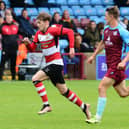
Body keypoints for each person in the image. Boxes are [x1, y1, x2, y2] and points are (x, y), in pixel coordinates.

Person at [23, 12, 91, 120]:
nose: (38, 25)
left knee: (35, 79)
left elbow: (69, 32)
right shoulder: (38, 34)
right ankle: (84, 107)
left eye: (39, 23)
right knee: (64, 91)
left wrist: (72, 48)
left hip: (56, 63)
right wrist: (27, 44)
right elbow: (33, 48)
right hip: (50, 64)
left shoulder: (52, 30)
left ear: (46, 22)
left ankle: (46, 105)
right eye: (37, 23)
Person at [86, 6, 129, 123]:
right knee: (124, 93)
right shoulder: (106, 29)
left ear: (111, 16)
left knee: (101, 87)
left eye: (106, 16)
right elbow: (102, 43)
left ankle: (97, 118)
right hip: (111, 65)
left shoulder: (122, 31)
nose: (104, 18)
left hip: (117, 65)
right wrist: (93, 56)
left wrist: (124, 61)